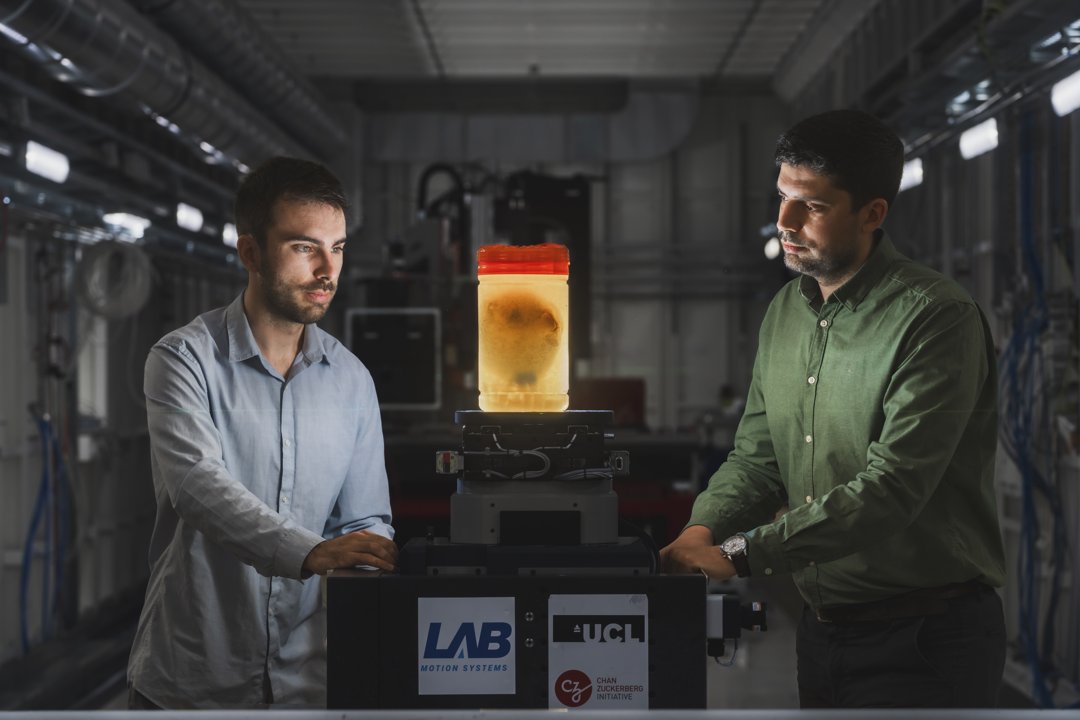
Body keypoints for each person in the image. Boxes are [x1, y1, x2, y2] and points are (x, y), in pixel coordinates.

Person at [660, 109, 1006, 708]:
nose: (785, 223)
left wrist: (740, 555)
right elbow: (758, 457)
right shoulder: (784, 314)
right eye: (782, 198)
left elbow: (893, 487)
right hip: (823, 631)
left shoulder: (934, 317)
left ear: (872, 213)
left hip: (925, 639)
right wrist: (702, 529)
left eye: (812, 207)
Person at [127, 157, 398, 709]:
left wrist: (370, 556)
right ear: (250, 252)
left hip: (307, 685)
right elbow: (198, 487)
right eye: (304, 247)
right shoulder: (183, 360)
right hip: (191, 685)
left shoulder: (351, 380)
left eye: (338, 247)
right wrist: (312, 552)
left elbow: (368, 518)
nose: (328, 269)